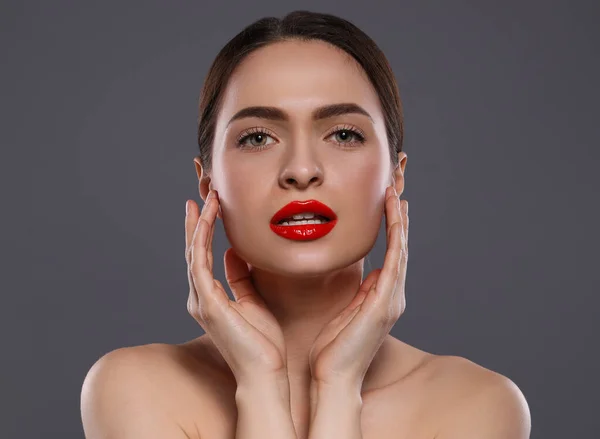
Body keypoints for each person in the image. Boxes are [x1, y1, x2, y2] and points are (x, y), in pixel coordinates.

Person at [80, 10, 531, 439]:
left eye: (343, 134)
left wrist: (338, 384)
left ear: (396, 176)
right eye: (257, 137)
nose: (301, 169)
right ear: (207, 180)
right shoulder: (135, 388)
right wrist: (259, 383)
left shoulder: (476, 404)